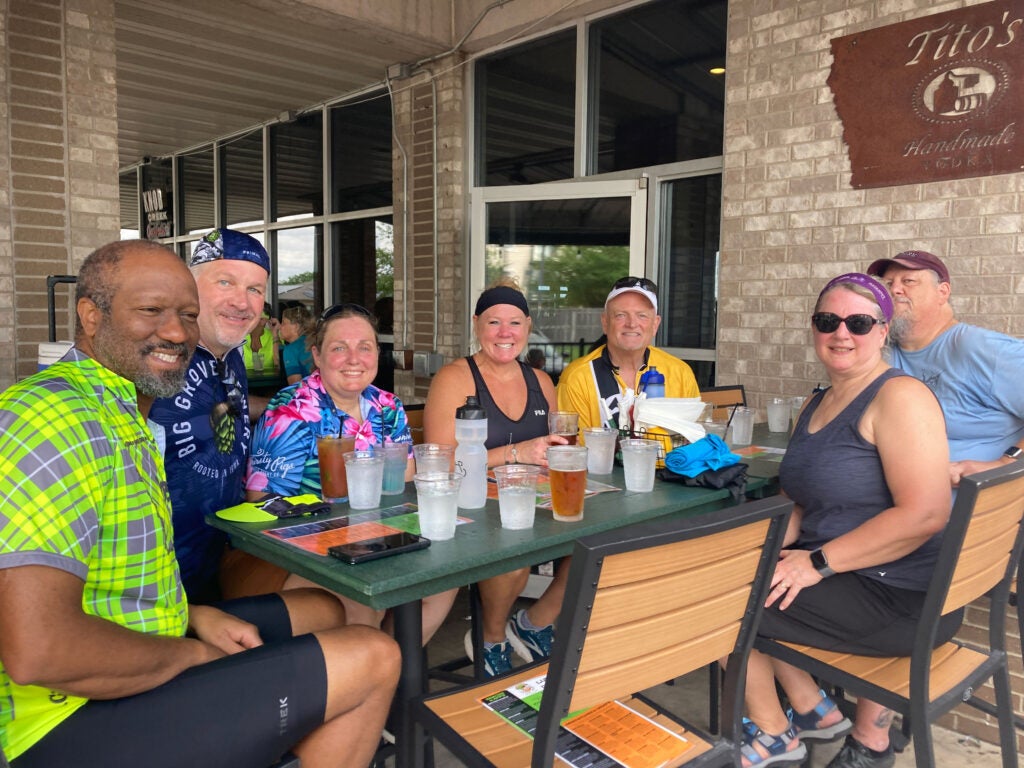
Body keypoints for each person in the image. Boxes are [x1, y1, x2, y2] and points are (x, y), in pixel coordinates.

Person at [0, 239, 399, 768]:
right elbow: (39, 650)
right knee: (375, 656)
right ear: (90, 316)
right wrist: (190, 653)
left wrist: (193, 616)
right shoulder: (53, 417)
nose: (176, 331)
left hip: (162, 618)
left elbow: (117, 581)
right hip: (59, 721)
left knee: (326, 609)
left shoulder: (127, 409)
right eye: (151, 311)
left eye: (187, 315)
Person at [739, 274, 954, 768]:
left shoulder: (900, 397)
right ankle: (813, 710)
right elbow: (799, 501)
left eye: (858, 322)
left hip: (901, 597)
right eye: (827, 321)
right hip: (851, 575)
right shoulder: (817, 401)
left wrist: (812, 563)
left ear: (883, 330)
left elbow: (925, 513)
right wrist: (764, 550)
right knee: (735, 574)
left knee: (720, 605)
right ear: (813, 328)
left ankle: (777, 734)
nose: (842, 333)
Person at [243, 303, 457, 642]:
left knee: (444, 579)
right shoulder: (293, 409)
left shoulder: (386, 405)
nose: (354, 358)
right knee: (362, 601)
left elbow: (404, 476)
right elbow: (265, 500)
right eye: (339, 348)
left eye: (364, 347)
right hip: (308, 552)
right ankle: (373, 678)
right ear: (317, 355)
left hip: (380, 537)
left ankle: (392, 674)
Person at [423, 280, 568, 676]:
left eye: (515, 323)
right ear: (476, 326)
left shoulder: (541, 382)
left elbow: (553, 445)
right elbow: (439, 461)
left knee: (600, 535)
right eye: (494, 322)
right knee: (513, 546)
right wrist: (517, 454)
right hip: (474, 507)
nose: (505, 333)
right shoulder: (455, 378)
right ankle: (491, 638)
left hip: (531, 499)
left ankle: (534, 623)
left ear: (527, 327)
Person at [148, 228, 272, 603]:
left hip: (220, 560)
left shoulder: (229, 353)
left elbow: (220, 408)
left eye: (255, 289)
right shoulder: (155, 354)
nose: (242, 301)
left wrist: (282, 409)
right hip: (155, 580)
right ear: (191, 287)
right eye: (225, 282)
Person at [866, 250, 1024, 484]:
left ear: (942, 292)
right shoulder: (882, 352)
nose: (894, 290)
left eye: (908, 281)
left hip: (968, 512)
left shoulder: (977, 347)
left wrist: (1004, 464)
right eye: (888, 283)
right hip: (891, 499)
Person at [557, 276, 700, 430]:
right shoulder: (578, 377)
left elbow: (695, 441)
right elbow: (572, 449)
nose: (632, 324)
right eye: (621, 315)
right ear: (605, 323)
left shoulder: (680, 373)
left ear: (655, 325)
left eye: (642, 316)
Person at [278, 303, 315, 384]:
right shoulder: (314, 341)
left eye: (283, 323)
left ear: (296, 327)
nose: (280, 327)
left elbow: (295, 387)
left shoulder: (291, 349)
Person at [242, 301, 278, 376]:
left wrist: (275, 333)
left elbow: (279, 364)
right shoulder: (239, 337)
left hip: (269, 382)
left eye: (261, 318)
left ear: (269, 319)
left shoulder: (274, 337)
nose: (258, 321)